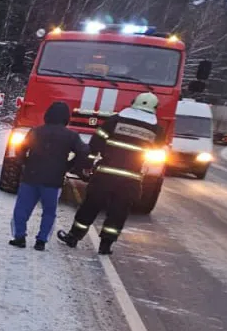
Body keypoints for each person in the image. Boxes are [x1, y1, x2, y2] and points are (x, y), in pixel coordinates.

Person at [58, 92, 164, 255]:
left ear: (133, 102)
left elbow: (96, 143)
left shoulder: (115, 120)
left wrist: (87, 163)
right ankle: (106, 246)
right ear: (155, 108)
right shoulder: (157, 129)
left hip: (105, 175)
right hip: (131, 179)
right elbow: (157, 151)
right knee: (118, 212)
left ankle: (73, 237)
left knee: (90, 206)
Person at [10, 101, 90, 251]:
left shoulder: (35, 131)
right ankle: (41, 241)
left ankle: (19, 237)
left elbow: (20, 148)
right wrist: (70, 165)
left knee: (22, 208)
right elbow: (84, 152)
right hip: (54, 180)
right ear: (66, 118)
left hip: (31, 177)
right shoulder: (71, 136)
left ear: (47, 115)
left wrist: (25, 162)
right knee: (49, 212)